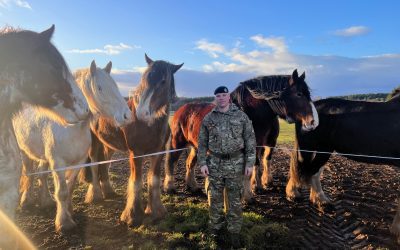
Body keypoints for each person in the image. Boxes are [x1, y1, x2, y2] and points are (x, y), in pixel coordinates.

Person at [198, 85, 256, 248]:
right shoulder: (209, 119)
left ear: (229, 97)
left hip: (236, 164)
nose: (221, 98)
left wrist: (250, 163)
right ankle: (215, 230)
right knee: (214, 200)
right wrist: (202, 162)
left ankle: (234, 233)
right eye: (218, 96)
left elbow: (250, 140)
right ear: (215, 98)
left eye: (224, 95)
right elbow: (201, 143)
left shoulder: (241, 117)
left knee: (235, 201)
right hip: (214, 164)